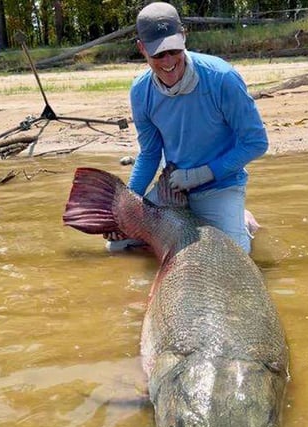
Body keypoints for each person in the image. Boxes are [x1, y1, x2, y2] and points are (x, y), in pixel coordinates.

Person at [107, 1, 268, 254]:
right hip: (174, 189)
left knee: (236, 256)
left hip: (220, 185)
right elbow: (149, 154)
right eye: (158, 54)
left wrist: (203, 174)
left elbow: (256, 143)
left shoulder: (222, 78)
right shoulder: (141, 91)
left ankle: (241, 220)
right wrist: (128, 206)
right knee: (117, 245)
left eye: (173, 50)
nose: (168, 61)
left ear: (183, 36)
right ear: (141, 49)